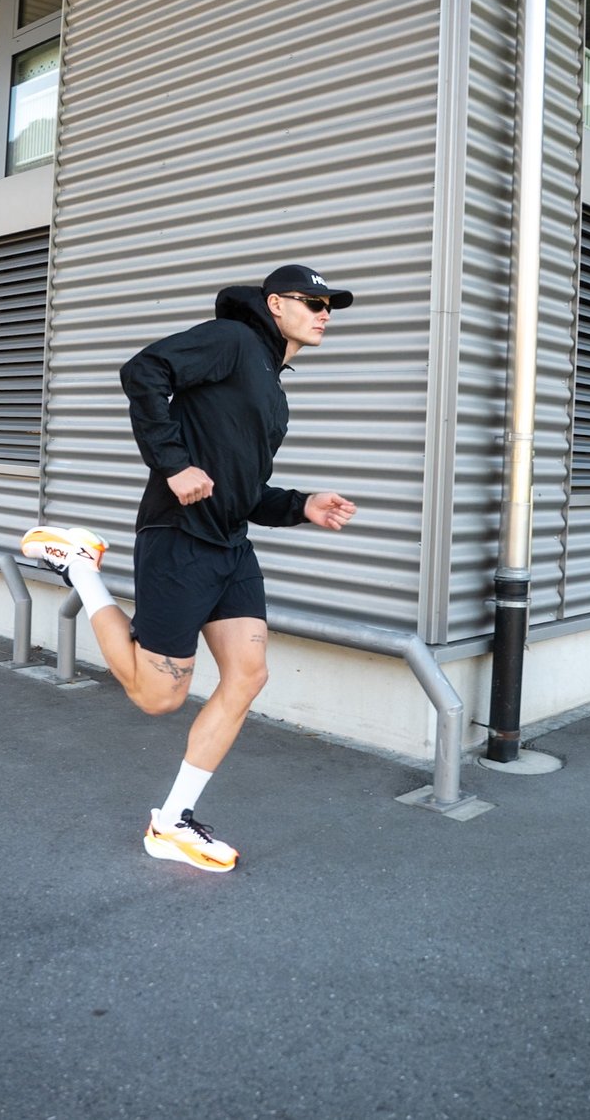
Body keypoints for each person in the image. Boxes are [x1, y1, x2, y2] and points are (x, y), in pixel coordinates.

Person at [21, 264, 357, 873]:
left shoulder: (272, 388)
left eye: (329, 305)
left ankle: (172, 822)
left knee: (248, 675)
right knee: (157, 697)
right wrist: (173, 463)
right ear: (275, 304)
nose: (324, 313)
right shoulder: (233, 340)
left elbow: (243, 490)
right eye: (313, 302)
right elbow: (143, 370)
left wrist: (301, 505)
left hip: (230, 545)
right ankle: (79, 567)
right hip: (179, 536)